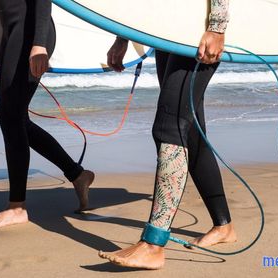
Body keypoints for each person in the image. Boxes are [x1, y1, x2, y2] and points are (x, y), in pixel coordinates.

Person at [98, 0, 236, 269]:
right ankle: (224, 226)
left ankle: (153, 244)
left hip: (199, 26)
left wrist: (217, 27)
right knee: (190, 129)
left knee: (170, 125)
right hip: (171, 25)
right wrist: (123, 36)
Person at [0, 0, 95, 228]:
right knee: (16, 117)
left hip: (29, 33)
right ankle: (78, 175)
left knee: (11, 116)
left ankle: (17, 208)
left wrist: (39, 43)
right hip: (12, 33)